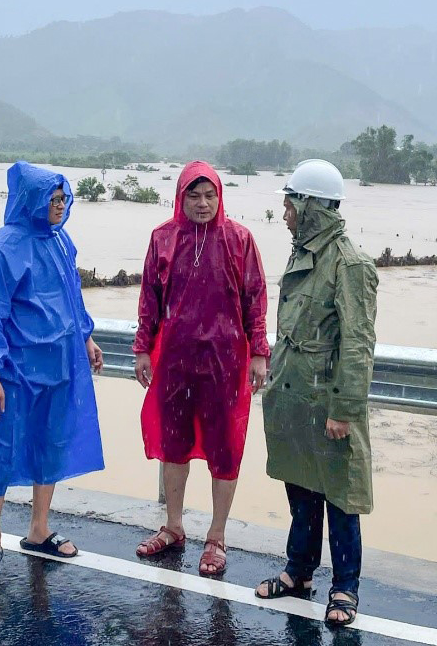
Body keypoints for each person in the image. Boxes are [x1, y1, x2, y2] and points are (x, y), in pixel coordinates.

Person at [256, 159, 378, 627]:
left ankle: (345, 587)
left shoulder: (349, 263)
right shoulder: (303, 251)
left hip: (327, 399)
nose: (285, 213)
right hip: (294, 395)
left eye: (290, 203)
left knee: (340, 497)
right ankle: (298, 573)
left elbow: (358, 342)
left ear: (311, 206)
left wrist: (344, 409)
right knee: (301, 488)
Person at [0, 161, 105, 578]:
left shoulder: (61, 242)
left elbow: (72, 295)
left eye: (64, 199)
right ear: (32, 200)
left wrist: (86, 337)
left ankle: (38, 529)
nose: (60, 207)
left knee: (52, 442)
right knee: (3, 448)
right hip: (16, 369)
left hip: (61, 364)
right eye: (53, 199)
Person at [132, 161, 269, 576]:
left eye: (210, 195)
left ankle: (216, 536)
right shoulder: (163, 239)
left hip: (226, 361)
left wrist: (259, 352)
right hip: (174, 359)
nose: (203, 203)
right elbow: (149, 300)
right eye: (194, 195)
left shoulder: (239, 240)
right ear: (181, 197)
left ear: (220, 197)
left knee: (224, 447)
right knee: (174, 444)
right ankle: (173, 526)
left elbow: (255, 299)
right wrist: (142, 349)